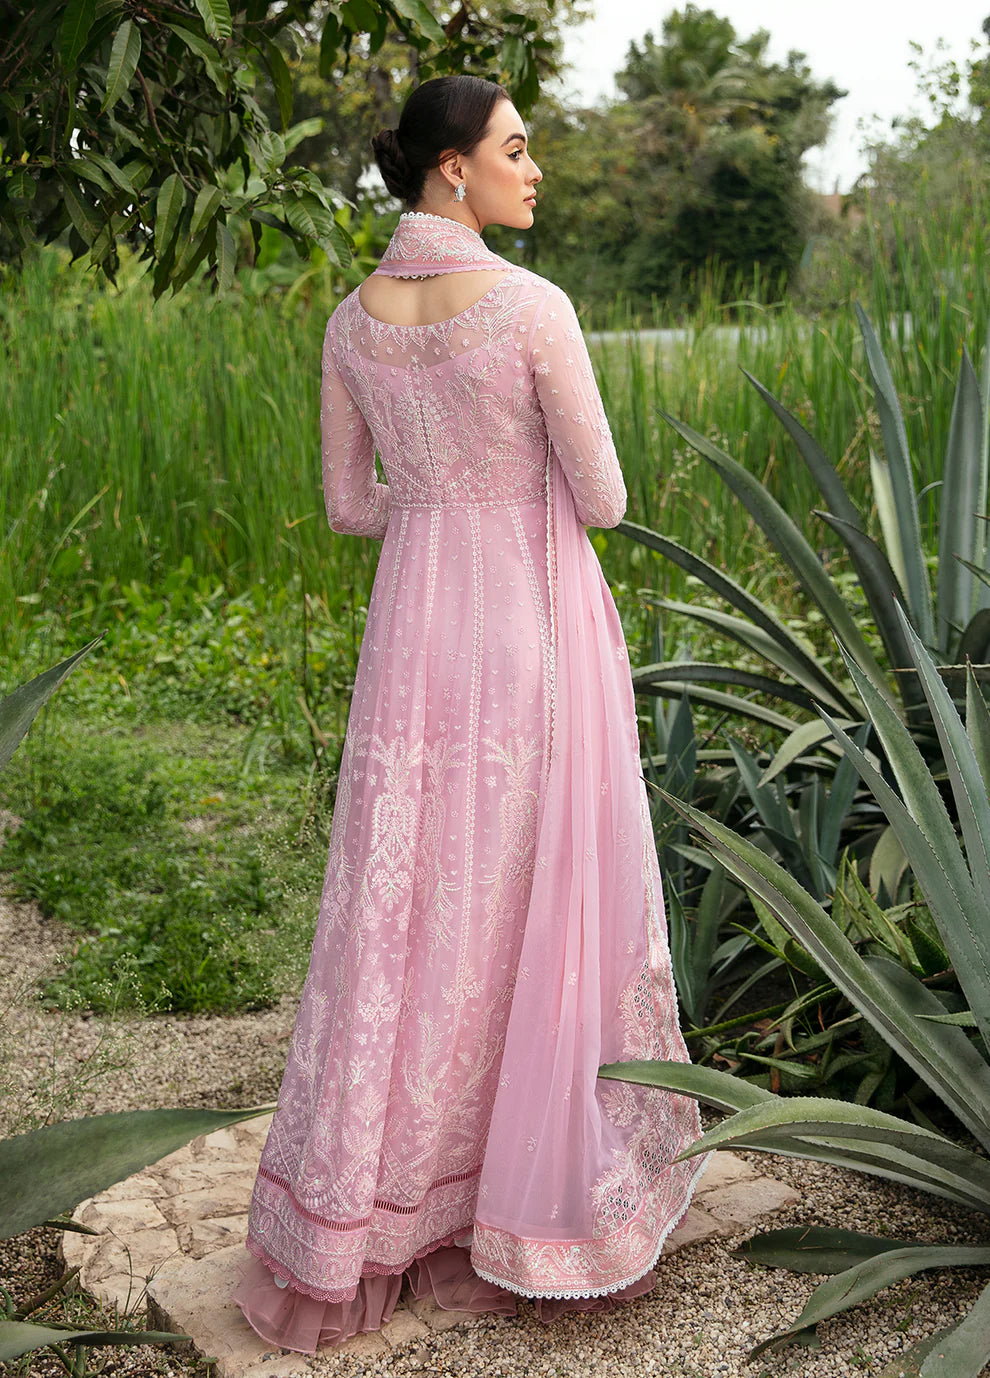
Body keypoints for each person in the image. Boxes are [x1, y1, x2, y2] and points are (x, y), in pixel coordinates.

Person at [232, 73, 707, 1355]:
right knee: (525, 895)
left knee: (406, 908)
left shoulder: (350, 321)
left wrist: (438, 504)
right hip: (526, 636)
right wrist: (501, 500)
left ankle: (375, 1211)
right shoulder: (530, 308)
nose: (532, 166)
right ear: (455, 171)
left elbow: (348, 504)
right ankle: (528, 1197)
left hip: (413, 641)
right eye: (515, 147)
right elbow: (601, 498)